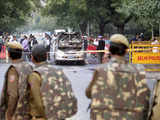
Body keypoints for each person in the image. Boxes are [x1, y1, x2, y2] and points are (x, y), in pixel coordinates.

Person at [86, 34, 150, 120]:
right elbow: (145, 97)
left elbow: (89, 93)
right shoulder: (138, 70)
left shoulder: (101, 69)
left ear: (110, 50)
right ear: (126, 51)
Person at [28, 44, 77, 119]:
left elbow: (38, 103)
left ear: (32, 58)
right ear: (47, 56)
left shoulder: (35, 75)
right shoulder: (58, 71)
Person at [0, 41, 33, 120]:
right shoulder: (28, 66)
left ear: (9, 54)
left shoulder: (13, 69)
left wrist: (9, 114)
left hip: (18, 112)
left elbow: (13, 95)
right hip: (28, 110)